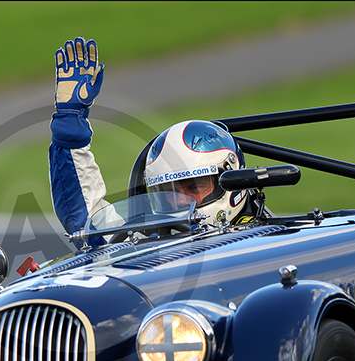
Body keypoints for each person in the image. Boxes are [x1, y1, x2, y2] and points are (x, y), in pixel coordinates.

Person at [48, 37, 263, 244]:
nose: (179, 200)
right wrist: (70, 130)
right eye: (168, 191)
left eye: (194, 186)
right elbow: (90, 225)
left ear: (232, 184)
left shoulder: (272, 247)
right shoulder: (150, 246)